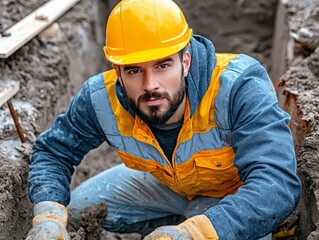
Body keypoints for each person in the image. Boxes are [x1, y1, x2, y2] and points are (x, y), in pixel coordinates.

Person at [26, 0, 301, 239]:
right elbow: (53, 151)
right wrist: (48, 215)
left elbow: (276, 183)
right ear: (117, 71)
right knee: (76, 212)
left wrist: (197, 232)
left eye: (163, 65)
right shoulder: (100, 98)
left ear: (186, 61)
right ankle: (181, 220)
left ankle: (225, 222)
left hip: (235, 194)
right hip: (167, 183)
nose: (150, 85)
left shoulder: (237, 87)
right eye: (134, 70)